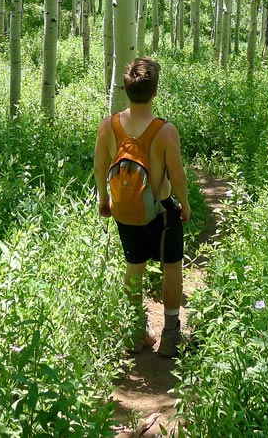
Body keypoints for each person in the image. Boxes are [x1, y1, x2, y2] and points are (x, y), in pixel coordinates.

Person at [94, 57, 191, 357]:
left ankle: (135, 332)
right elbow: (177, 175)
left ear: (126, 90)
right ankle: (171, 337)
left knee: (134, 267)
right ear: (155, 92)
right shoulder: (164, 131)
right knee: (172, 266)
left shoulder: (108, 126)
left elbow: (100, 168)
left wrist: (104, 199)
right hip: (160, 210)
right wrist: (184, 205)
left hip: (125, 209)